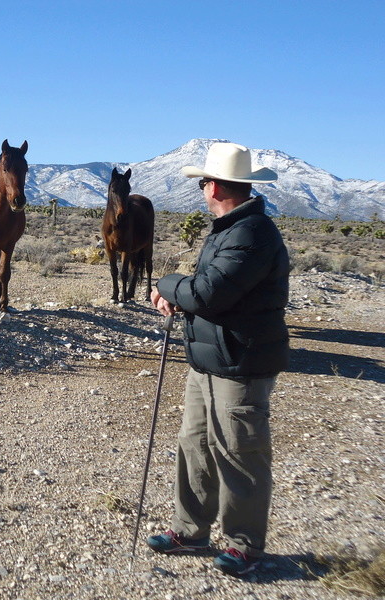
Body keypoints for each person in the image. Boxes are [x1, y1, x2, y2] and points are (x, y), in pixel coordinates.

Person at [147, 142, 290, 577]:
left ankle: (245, 544)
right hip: (211, 359)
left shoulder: (251, 233)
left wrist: (168, 284)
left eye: (204, 181)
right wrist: (184, 297)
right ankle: (191, 530)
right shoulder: (230, 228)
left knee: (240, 452)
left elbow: (209, 292)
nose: (202, 188)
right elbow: (214, 293)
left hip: (241, 362)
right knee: (195, 445)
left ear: (216, 185)